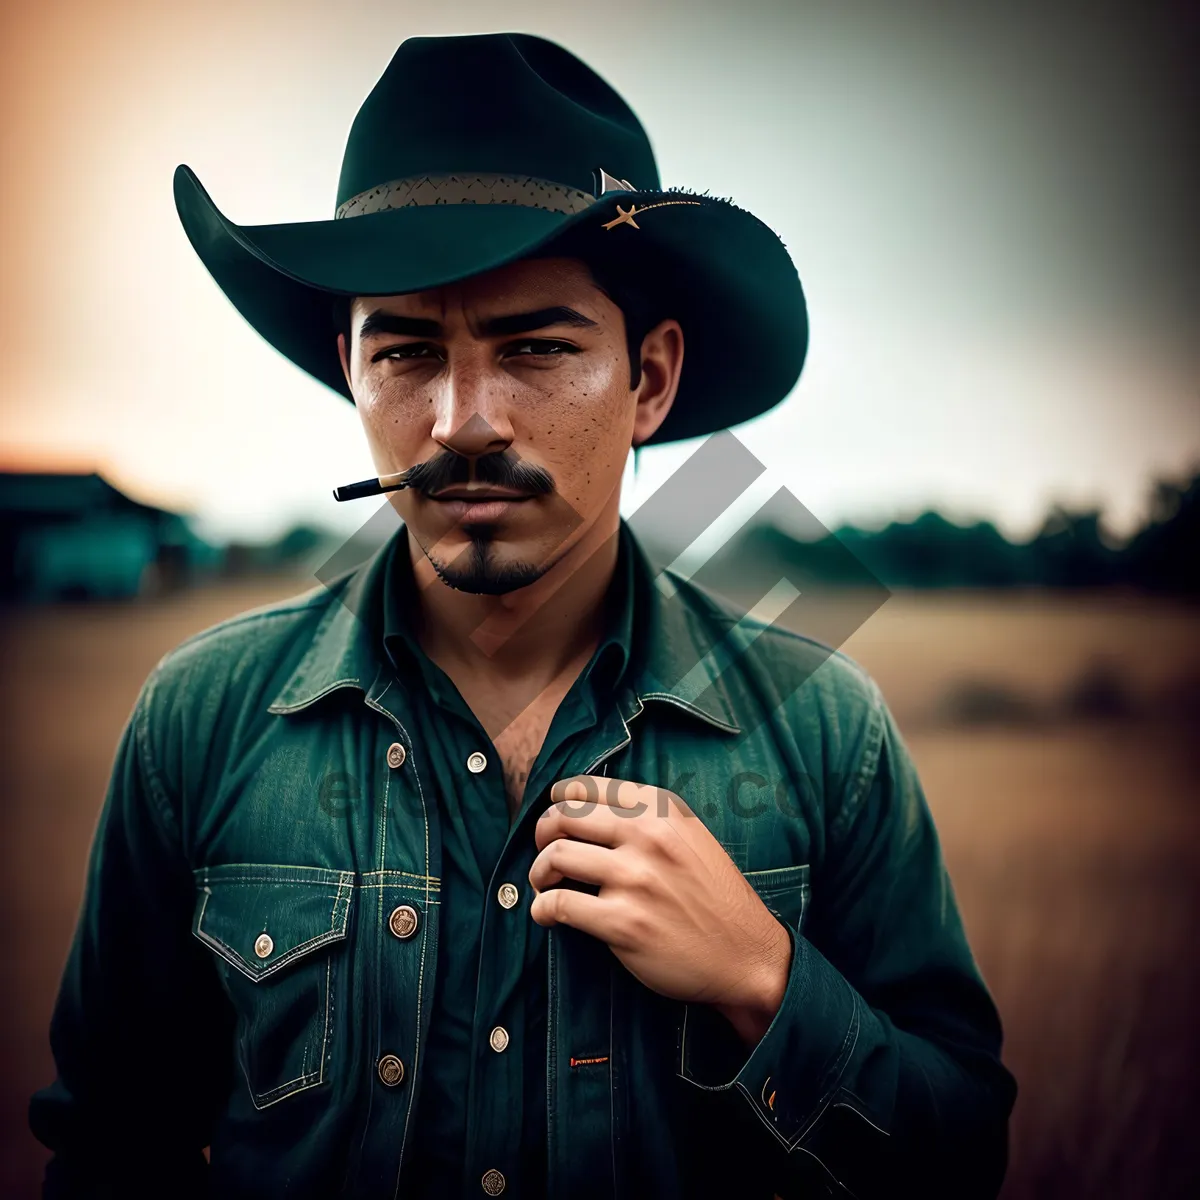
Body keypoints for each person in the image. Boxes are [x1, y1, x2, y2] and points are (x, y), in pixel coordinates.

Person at [29, 31, 1016, 1200]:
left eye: (535, 347)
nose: (461, 421)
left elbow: (960, 1158)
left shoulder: (826, 737)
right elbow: (110, 1147)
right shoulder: (201, 721)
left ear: (649, 379)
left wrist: (763, 978)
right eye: (405, 350)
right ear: (350, 368)